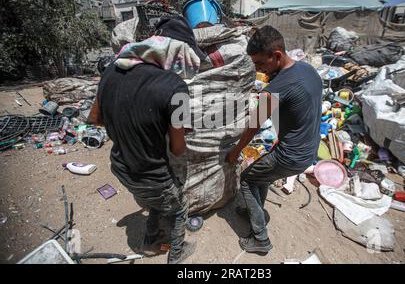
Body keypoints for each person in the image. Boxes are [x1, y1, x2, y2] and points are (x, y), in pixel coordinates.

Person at [88, 16, 207, 264]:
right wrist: (173, 130)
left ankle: (151, 241)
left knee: (156, 202)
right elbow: (177, 147)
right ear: (175, 52)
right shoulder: (175, 87)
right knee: (178, 210)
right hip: (153, 177)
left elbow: (95, 118)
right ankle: (176, 255)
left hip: (122, 168)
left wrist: (133, 125)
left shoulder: (112, 69)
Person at [226, 26, 322, 255]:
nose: (258, 70)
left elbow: (253, 127)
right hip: (310, 151)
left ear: (277, 55)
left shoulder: (274, 90)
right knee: (263, 175)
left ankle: (261, 239)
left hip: (292, 157)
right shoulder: (308, 70)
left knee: (248, 179)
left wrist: (235, 152)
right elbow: (306, 111)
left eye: (260, 64)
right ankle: (254, 211)